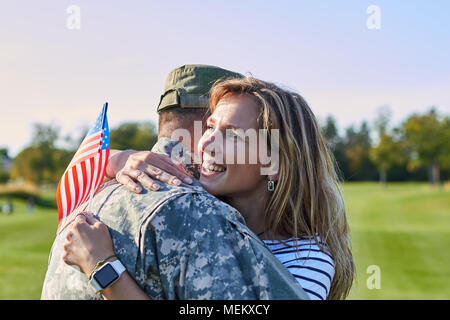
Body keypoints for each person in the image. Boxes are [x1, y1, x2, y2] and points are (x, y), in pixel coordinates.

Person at [63, 76, 355, 300]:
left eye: (231, 134)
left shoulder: (305, 259)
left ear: (273, 163)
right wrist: (122, 158)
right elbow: (84, 164)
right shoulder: (198, 199)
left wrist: (103, 268)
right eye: (211, 127)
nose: (206, 143)